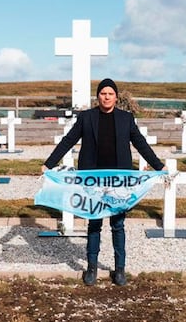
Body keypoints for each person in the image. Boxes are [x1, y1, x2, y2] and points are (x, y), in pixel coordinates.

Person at [42, 78, 165, 286]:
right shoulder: (86, 117)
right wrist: (49, 164)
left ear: (116, 97)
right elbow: (69, 140)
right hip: (92, 180)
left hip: (118, 181)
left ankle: (119, 269)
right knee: (94, 223)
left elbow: (140, 144)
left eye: (110, 93)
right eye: (102, 93)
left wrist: (159, 166)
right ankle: (91, 268)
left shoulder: (126, 118)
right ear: (97, 96)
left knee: (118, 225)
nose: (106, 97)